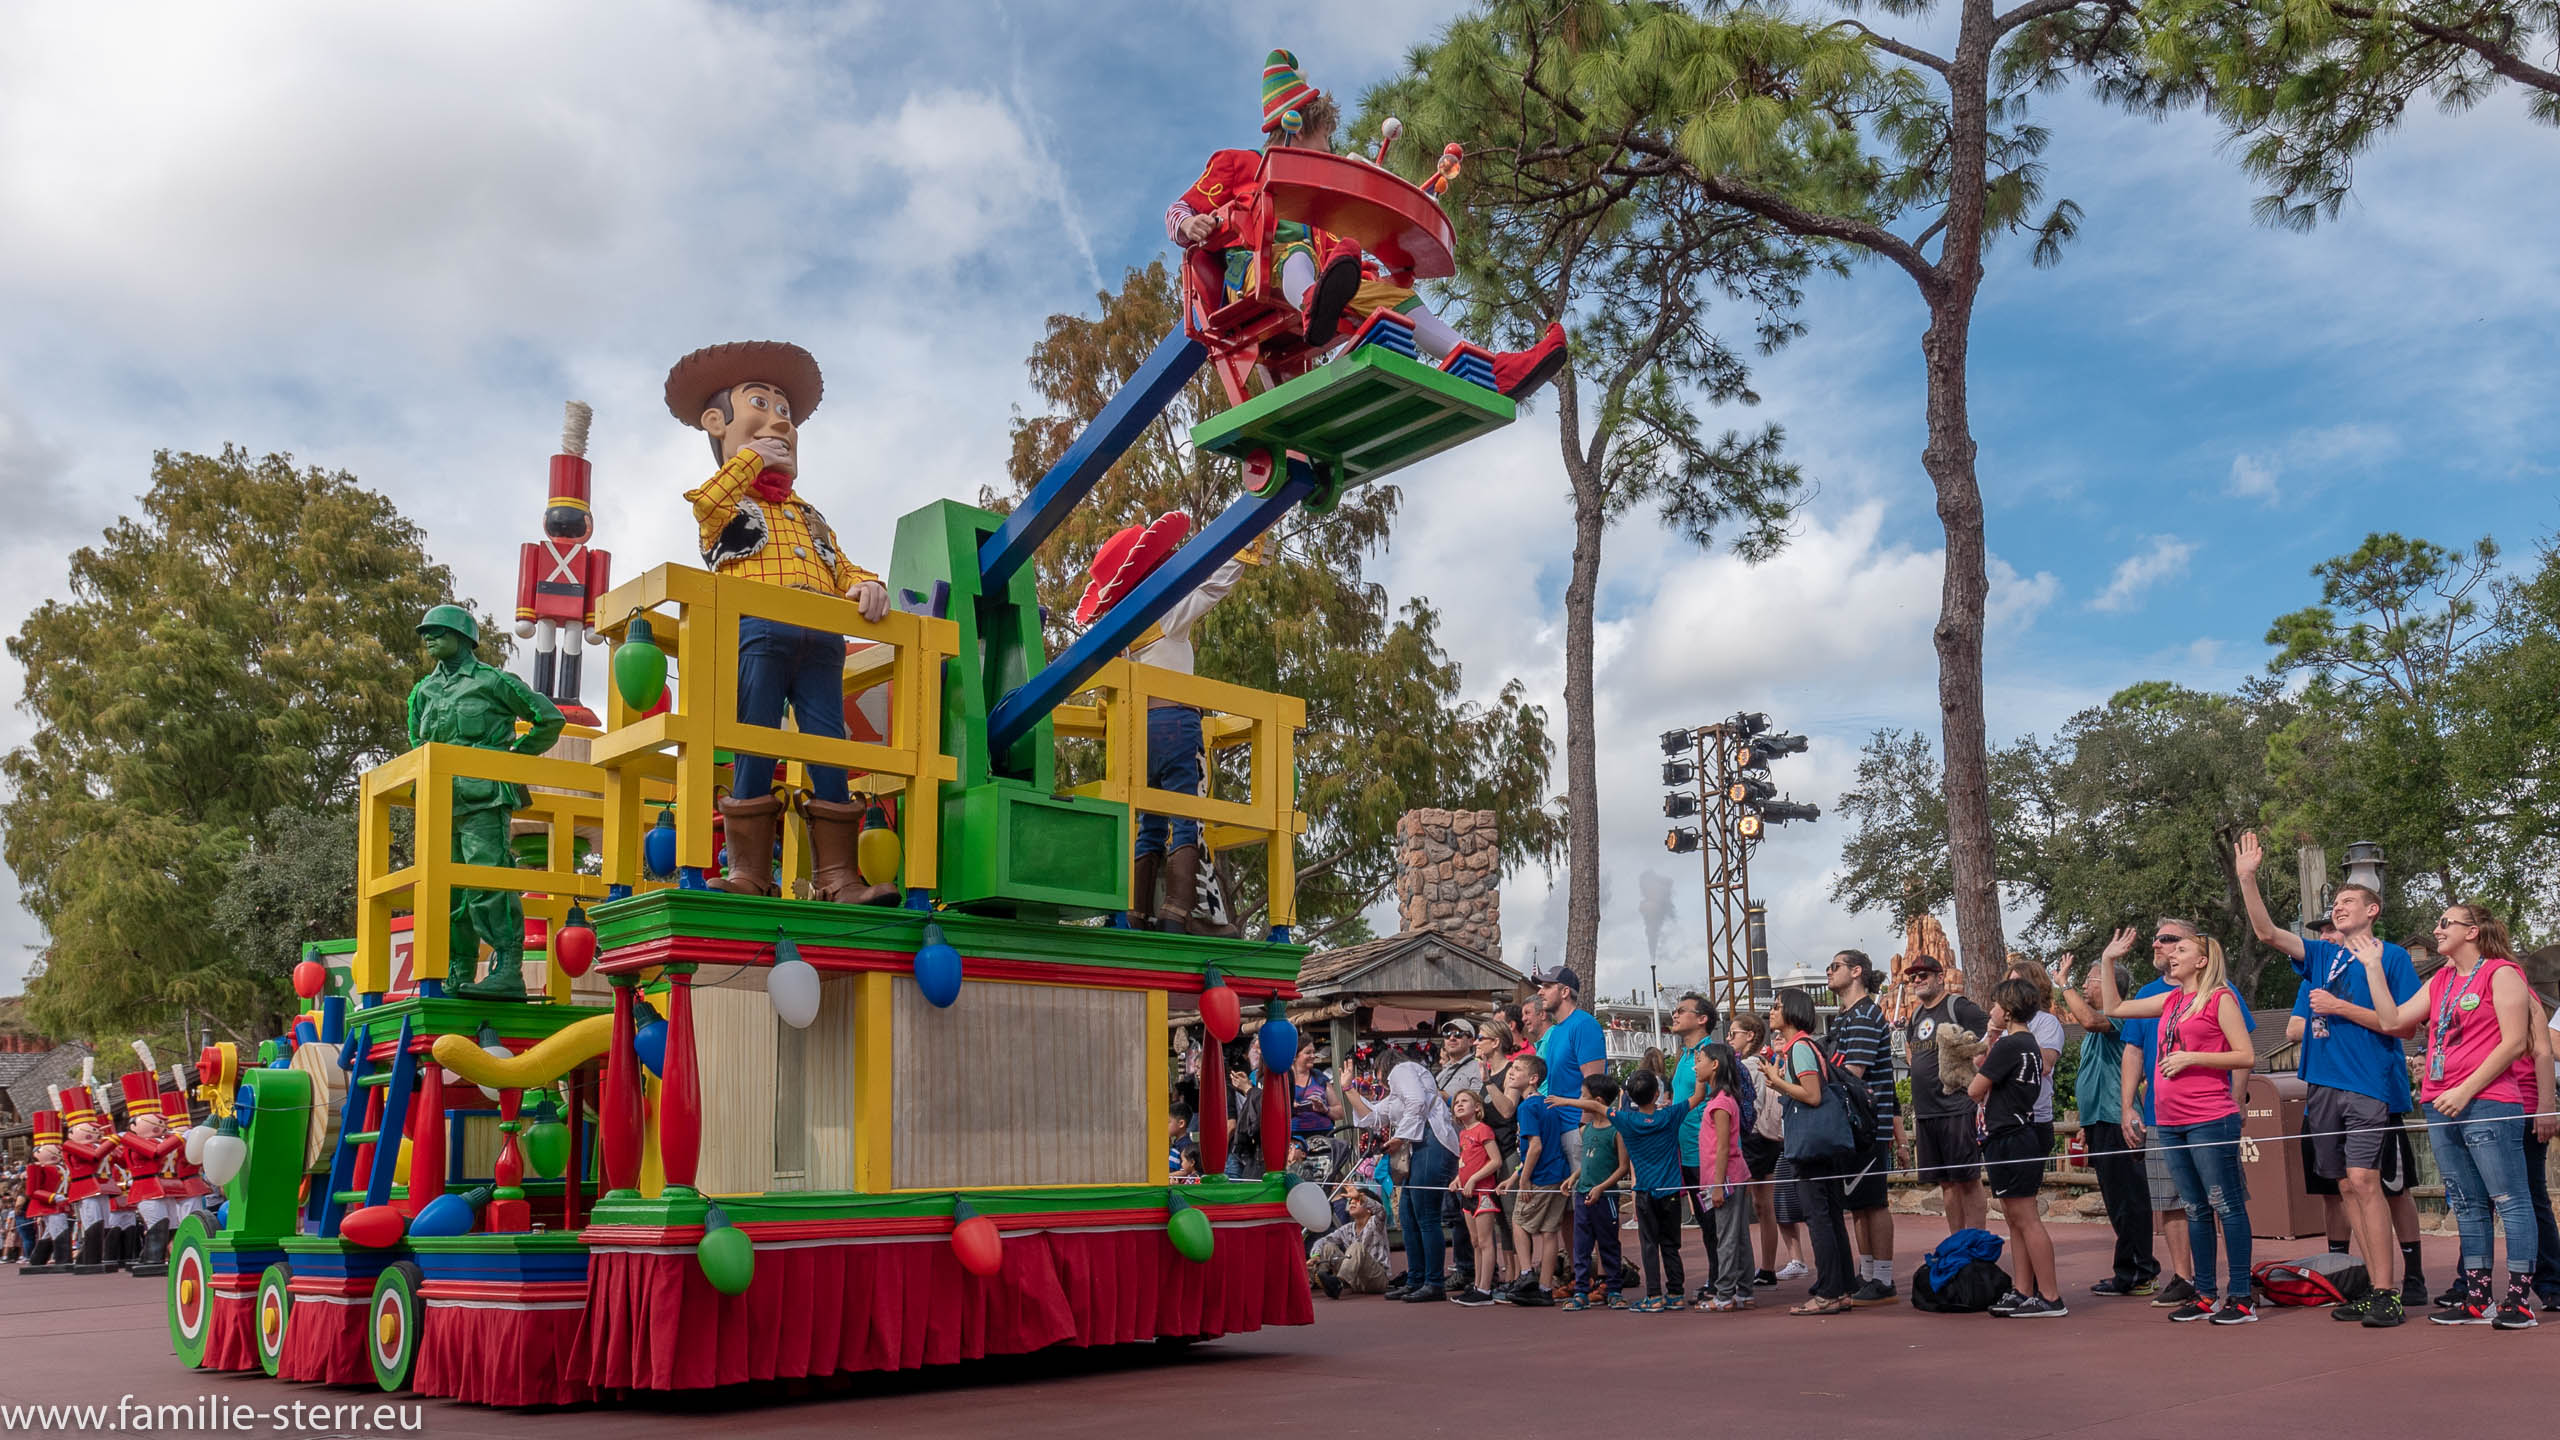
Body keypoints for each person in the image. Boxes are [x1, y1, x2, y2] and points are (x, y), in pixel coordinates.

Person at [1167, 50, 1569, 399]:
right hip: (1251, 279)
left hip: (1317, 285)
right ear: (1301, 129)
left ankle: (1491, 367)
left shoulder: (1319, 208)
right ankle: (1313, 298)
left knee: (1391, 299)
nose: (1329, 151)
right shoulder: (1240, 163)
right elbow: (1178, 209)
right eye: (1325, 140)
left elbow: (1338, 257)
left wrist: (1360, 270)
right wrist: (1191, 224)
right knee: (1296, 252)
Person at [667, 340, 899, 907]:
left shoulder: (807, 514)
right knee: (756, 736)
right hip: (759, 630)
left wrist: (865, 584)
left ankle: (839, 876)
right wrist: (752, 459)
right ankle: (749, 871)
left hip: (821, 640)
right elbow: (704, 502)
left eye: (786, 415)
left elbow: (841, 562)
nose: (777, 421)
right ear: (718, 423)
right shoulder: (724, 502)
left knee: (829, 744)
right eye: (761, 405)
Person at [2236, 832, 2424, 1325]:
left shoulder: (2393, 957)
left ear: (2372, 910)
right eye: (2335, 902)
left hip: (2368, 1084)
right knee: (2343, 1186)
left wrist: (2341, 1006)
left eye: (2347, 902)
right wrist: (2247, 878)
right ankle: (2370, 1282)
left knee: (2366, 1181)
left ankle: (2390, 1291)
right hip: (2321, 1086)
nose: (2338, 908)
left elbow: (2403, 1025)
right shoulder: (2322, 955)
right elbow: (2268, 934)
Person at [2362, 903, 2539, 1327]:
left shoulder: (2502, 973)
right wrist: (2372, 967)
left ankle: (2519, 1299)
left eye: (2445, 923)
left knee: (2509, 1198)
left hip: (2488, 1101)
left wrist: (2465, 1089)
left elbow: (2516, 1044)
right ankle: (2477, 1296)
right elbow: (2392, 1020)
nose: (2436, 929)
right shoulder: (2440, 979)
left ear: (2473, 931)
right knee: (2464, 1200)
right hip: (2443, 1103)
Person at [2096, 923, 2259, 1324]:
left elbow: (2245, 1055)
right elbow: (2114, 1009)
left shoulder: (2219, 999)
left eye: (2181, 949)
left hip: (2208, 1117)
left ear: (2201, 960)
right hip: (2167, 1120)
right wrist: (2107, 959)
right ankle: (2204, 1292)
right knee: (2194, 1207)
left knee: (2225, 1204)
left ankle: (2240, 1295)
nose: (2172, 953)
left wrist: (2193, 1058)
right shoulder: (2170, 1000)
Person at [405, 604, 567, 998]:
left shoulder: (492, 682)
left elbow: (549, 719)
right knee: (449, 892)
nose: (428, 638)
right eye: (425, 632)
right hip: (440, 805)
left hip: (482, 801)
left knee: (487, 880)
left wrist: (511, 759)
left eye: (437, 631)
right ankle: (458, 968)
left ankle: (507, 967)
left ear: (462, 636)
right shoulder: (422, 692)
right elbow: (416, 741)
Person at [2057, 957, 2158, 1297]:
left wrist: (2063, 983)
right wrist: (2087, 1122)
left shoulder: (2120, 1015)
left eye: (2090, 979)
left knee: (2129, 1198)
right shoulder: (2103, 1026)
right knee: (2117, 1199)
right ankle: (2129, 1269)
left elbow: (2088, 1020)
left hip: (2120, 1120)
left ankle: (2140, 1271)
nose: (2084, 986)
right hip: (2101, 1120)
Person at [1558, 1066, 1698, 1310]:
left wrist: (1562, 1100)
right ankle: (1675, 1293)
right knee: (1670, 1245)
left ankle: (1654, 1296)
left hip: (1644, 1192)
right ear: (1657, 1094)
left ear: (1630, 1097)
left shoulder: (1625, 1121)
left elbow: (1599, 1108)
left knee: (1649, 1245)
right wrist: (1699, 1073)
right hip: (1670, 1193)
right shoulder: (1670, 1115)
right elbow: (1697, 1096)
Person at [1971, 977, 2066, 1317]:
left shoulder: (2010, 1046)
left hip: (2011, 1135)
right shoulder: (2028, 1045)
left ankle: (2050, 1296)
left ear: (2008, 1011)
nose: (1991, 1010)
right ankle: (2023, 1289)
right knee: (2015, 1217)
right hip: (2015, 1132)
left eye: (1996, 1005)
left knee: (2025, 1217)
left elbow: (1974, 1088)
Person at [1340, 1056, 1462, 1303]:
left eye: (1378, 1073)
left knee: (1426, 1215)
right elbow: (1372, 1117)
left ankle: (1433, 1281)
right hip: (1417, 1147)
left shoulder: (1402, 1069)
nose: (1378, 1080)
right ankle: (1416, 1278)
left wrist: (1401, 1137)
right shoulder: (1395, 1094)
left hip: (1432, 1142)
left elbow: (1417, 1103)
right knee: (1407, 1214)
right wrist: (1347, 1088)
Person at [1824, 951, 1901, 1305]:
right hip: (1849, 1125)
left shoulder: (1867, 1015)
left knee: (1874, 1203)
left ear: (1856, 972)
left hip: (1868, 1124)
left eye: (1835, 966)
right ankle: (1867, 1272)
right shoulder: (1843, 1017)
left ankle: (1883, 1279)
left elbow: (1852, 1073)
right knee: (1857, 1204)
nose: (1829, 971)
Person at [1901, 955, 1990, 1234]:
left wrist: (1972, 1072)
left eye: (1923, 974)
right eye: (1913, 976)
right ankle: (1957, 1243)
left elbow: (1991, 1036)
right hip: (1927, 1111)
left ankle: (1976, 1244)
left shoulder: (1957, 1007)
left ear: (1940, 977)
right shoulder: (1916, 1015)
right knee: (1947, 1182)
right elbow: (1909, 1049)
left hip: (1956, 1106)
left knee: (1967, 1179)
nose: (1917, 980)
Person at [1727, 1012, 1801, 1286]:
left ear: (1750, 1035)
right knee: (1763, 1204)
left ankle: (1743, 1268)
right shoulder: (1761, 1063)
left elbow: (1747, 1105)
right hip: (1766, 1138)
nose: (1729, 1038)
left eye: (1733, 1033)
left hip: (1752, 1138)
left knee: (1740, 1203)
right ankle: (1766, 1267)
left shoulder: (1747, 1065)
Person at [1665, 992, 1722, 1301]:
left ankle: (1723, 1282)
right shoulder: (1685, 1056)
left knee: (1715, 1222)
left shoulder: (1711, 1053)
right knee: (1704, 1221)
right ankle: (1718, 1279)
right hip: (1686, 1151)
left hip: (1707, 1151)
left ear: (1702, 1019)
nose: (1674, 1015)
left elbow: (1721, 1100)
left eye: (1682, 1010)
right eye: (1674, 1010)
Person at [1691, 1042, 1757, 1311]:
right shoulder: (1724, 1100)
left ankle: (1725, 1293)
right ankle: (1743, 1291)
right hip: (1733, 1176)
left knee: (1727, 1236)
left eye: (1701, 1060)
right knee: (1738, 1234)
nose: (1696, 1066)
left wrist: (1717, 1185)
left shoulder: (1720, 1103)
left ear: (1715, 1064)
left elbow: (1722, 1147)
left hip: (1726, 1179)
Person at [1500, 1054, 1569, 1306]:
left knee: (1518, 1222)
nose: (1511, 1072)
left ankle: (1527, 1273)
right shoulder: (1548, 1105)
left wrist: (1524, 1179)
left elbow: (1535, 1147)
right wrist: (1514, 1176)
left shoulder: (1527, 1107)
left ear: (1533, 1079)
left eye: (1517, 1069)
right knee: (1550, 1232)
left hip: (1540, 1176)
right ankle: (1545, 1288)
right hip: (1557, 1174)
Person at [1562, 1073, 1629, 1311]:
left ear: (1597, 1100)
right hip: (1583, 1195)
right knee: (1581, 1245)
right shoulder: (1586, 1130)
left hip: (1606, 1197)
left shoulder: (1617, 1130)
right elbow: (1588, 1163)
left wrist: (1601, 1188)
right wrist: (1573, 1177)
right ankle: (1581, 1289)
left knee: (1608, 1243)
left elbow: (1622, 1167)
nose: (1581, 1100)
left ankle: (1613, 1289)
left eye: (1584, 1096)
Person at [1450, 1089, 1504, 1305]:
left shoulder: (1483, 1130)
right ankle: (1477, 1284)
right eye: (1456, 1102)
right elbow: (1465, 1160)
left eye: (1465, 1101)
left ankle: (1485, 1288)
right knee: (1474, 1242)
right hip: (1467, 1194)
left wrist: (1473, 1179)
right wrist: (1458, 1179)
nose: (1460, 1105)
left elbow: (1495, 1161)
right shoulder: (1463, 1134)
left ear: (1477, 1108)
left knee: (1485, 1241)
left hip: (1482, 1192)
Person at [1309, 1186, 1389, 1297]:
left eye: (1357, 1201)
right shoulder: (1347, 1228)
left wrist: (1361, 1197)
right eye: (1351, 1201)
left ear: (1369, 1209)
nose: (1352, 1203)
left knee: (1356, 1247)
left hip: (1377, 1280)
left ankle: (1338, 1283)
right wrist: (1315, 1255)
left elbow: (1380, 1210)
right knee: (1328, 1246)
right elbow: (1322, 1241)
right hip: (1354, 1281)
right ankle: (1324, 1279)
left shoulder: (1376, 1224)